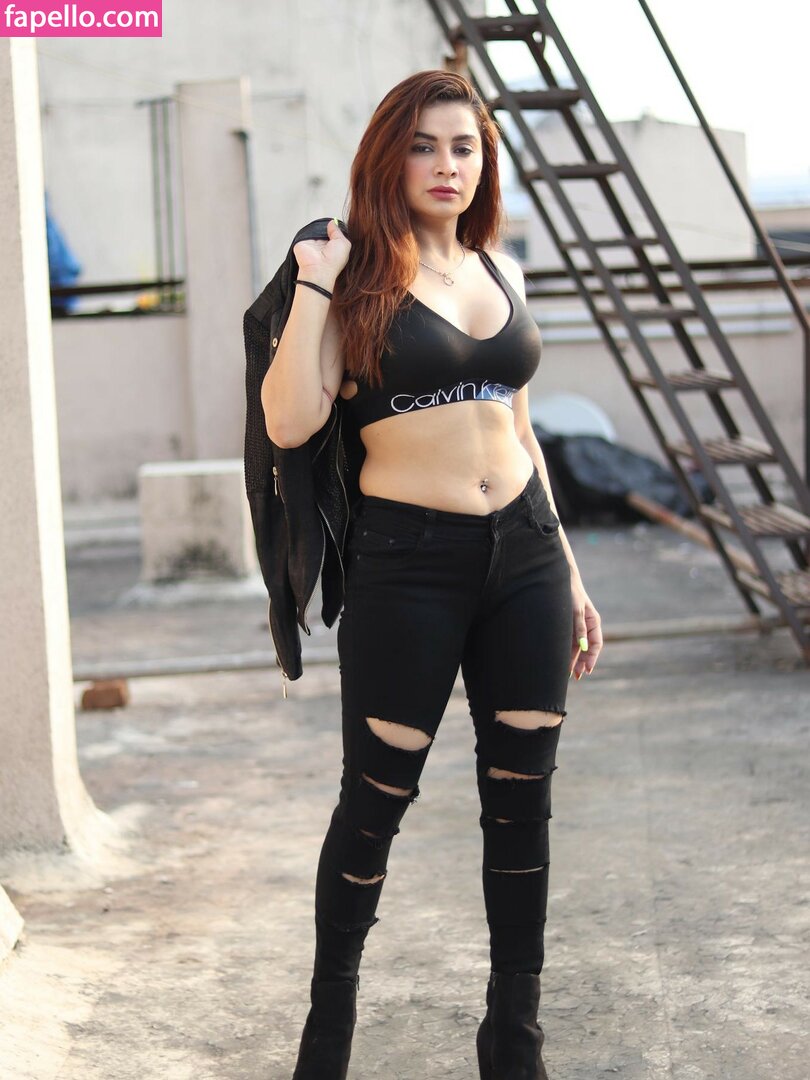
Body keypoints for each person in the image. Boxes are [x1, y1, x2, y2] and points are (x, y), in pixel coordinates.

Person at [262, 68, 603, 1080]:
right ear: (389, 156)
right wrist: (314, 283)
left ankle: (514, 1040)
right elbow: (290, 422)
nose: (447, 165)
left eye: (464, 147)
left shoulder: (504, 268)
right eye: (424, 145)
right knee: (374, 801)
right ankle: (327, 1039)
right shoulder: (353, 275)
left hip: (526, 554)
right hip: (408, 565)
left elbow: (521, 434)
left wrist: (570, 572)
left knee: (522, 799)